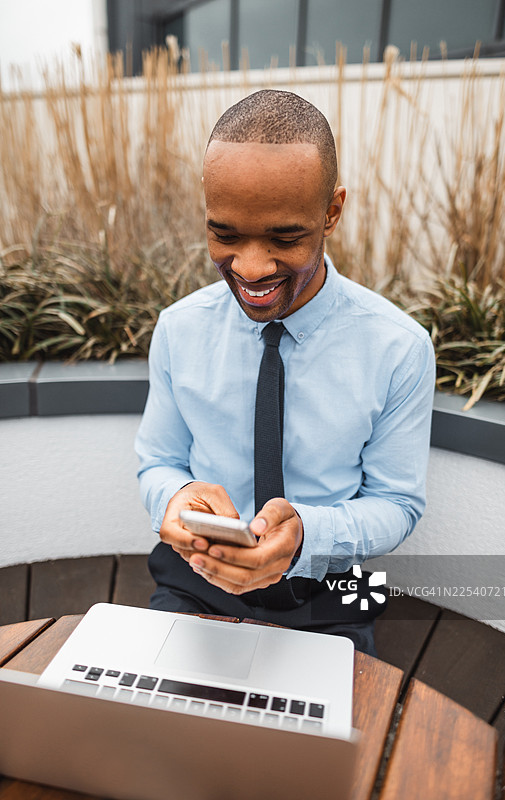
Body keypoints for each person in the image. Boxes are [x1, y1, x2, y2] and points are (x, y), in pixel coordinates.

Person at [135, 89, 435, 656]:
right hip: (193, 584)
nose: (250, 267)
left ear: (333, 211)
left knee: (328, 744)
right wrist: (174, 498)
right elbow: (159, 462)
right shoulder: (178, 329)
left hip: (337, 592)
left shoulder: (399, 348)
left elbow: (398, 503)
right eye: (224, 235)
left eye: (285, 237)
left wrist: (306, 538)